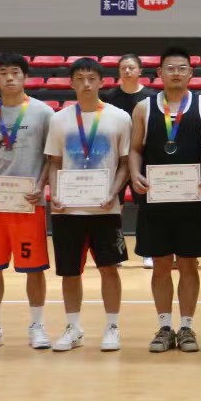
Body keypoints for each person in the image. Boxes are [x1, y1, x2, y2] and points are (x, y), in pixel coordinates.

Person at [129, 46, 201, 353]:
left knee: (190, 264)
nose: (176, 73)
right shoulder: (143, 108)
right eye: (170, 68)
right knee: (161, 265)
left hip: (193, 199)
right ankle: (165, 327)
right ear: (159, 73)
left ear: (191, 73)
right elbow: (135, 149)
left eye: (182, 68)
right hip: (156, 200)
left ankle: (187, 327)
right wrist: (135, 174)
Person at [0, 53, 55, 351]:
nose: (9, 77)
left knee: (34, 268)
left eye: (15, 72)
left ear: (25, 76)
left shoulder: (43, 113)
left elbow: (51, 158)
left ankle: (37, 326)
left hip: (28, 204)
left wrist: (41, 185)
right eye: (3, 72)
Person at [45, 58, 133, 352]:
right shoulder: (59, 119)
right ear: (71, 83)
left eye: (92, 78)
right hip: (67, 209)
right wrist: (55, 194)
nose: (86, 84)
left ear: (102, 82)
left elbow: (125, 163)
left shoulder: (119, 117)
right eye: (80, 78)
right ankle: (73, 327)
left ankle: (112, 327)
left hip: (105, 207)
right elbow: (54, 162)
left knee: (109, 268)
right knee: (70, 271)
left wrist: (114, 193)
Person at [100, 53, 153, 267]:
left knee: (146, 207)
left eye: (131, 67)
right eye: (123, 68)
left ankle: (148, 251)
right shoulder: (109, 97)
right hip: (116, 159)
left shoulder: (152, 97)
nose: (127, 71)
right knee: (114, 205)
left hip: (143, 157)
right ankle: (115, 251)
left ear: (140, 70)